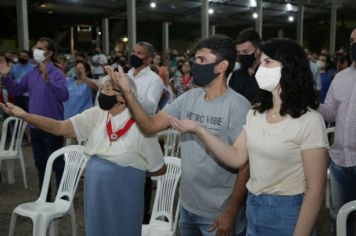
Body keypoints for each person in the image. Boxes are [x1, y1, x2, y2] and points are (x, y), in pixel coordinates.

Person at [169, 38, 329, 235]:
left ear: (289, 68)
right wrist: (200, 130)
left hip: (287, 210)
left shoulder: (309, 120)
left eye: (268, 62)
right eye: (260, 62)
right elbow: (237, 158)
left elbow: (315, 190)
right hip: (254, 205)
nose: (260, 68)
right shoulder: (256, 113)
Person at [107, 34, 250, 236]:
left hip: (218, 212)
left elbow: (245, 165)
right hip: (188, 207)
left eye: (202, 60)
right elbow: (150, 125)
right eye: (195, 59)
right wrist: (128, 94)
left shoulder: (238, 105)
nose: (194, 64)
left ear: (221, 66)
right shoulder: (189, 98)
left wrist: (231, 211)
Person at [0, 79, 166, 236]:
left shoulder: (141, 126)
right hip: (95, 192)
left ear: (124, 98)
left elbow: (158, 168)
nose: (102, 92)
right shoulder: (98, 114)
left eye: (108, 89)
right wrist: (26, 116)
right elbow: (60, 127)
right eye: (102, 88)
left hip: (124, 196)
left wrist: (125, 175)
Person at [0, 37, 69, 200]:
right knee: (40, 164)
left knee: (58, 164)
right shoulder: (31, 73)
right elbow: (16, 91)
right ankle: (44, 195)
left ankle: (63, 197)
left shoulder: (57, 74)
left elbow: (64, 96)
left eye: (39, 48)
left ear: (49, 53)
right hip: (34, 127)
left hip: (54, 126)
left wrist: (48, 81)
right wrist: (6, 77)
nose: (35, 50)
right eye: (35, 47)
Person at [318, 28, 356, 235]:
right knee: (341, 218)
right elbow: (331, 112)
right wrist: (310, 103)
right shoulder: (341, 77)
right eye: (351, 41)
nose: (353, 45)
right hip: (341, 162)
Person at [127, 42, 164, 114]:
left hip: (139, 122)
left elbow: (151, 108)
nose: (134, 55)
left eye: (139, 53)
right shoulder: (129, 74)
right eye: (133, 52)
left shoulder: (155, 79)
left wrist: (130, 93)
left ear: (149, 59)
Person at [229, 28, 261, 102]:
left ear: (258, 50)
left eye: (246, 51)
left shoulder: (267, 75)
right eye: (239, 52)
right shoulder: (236, 75)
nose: (242, 55)